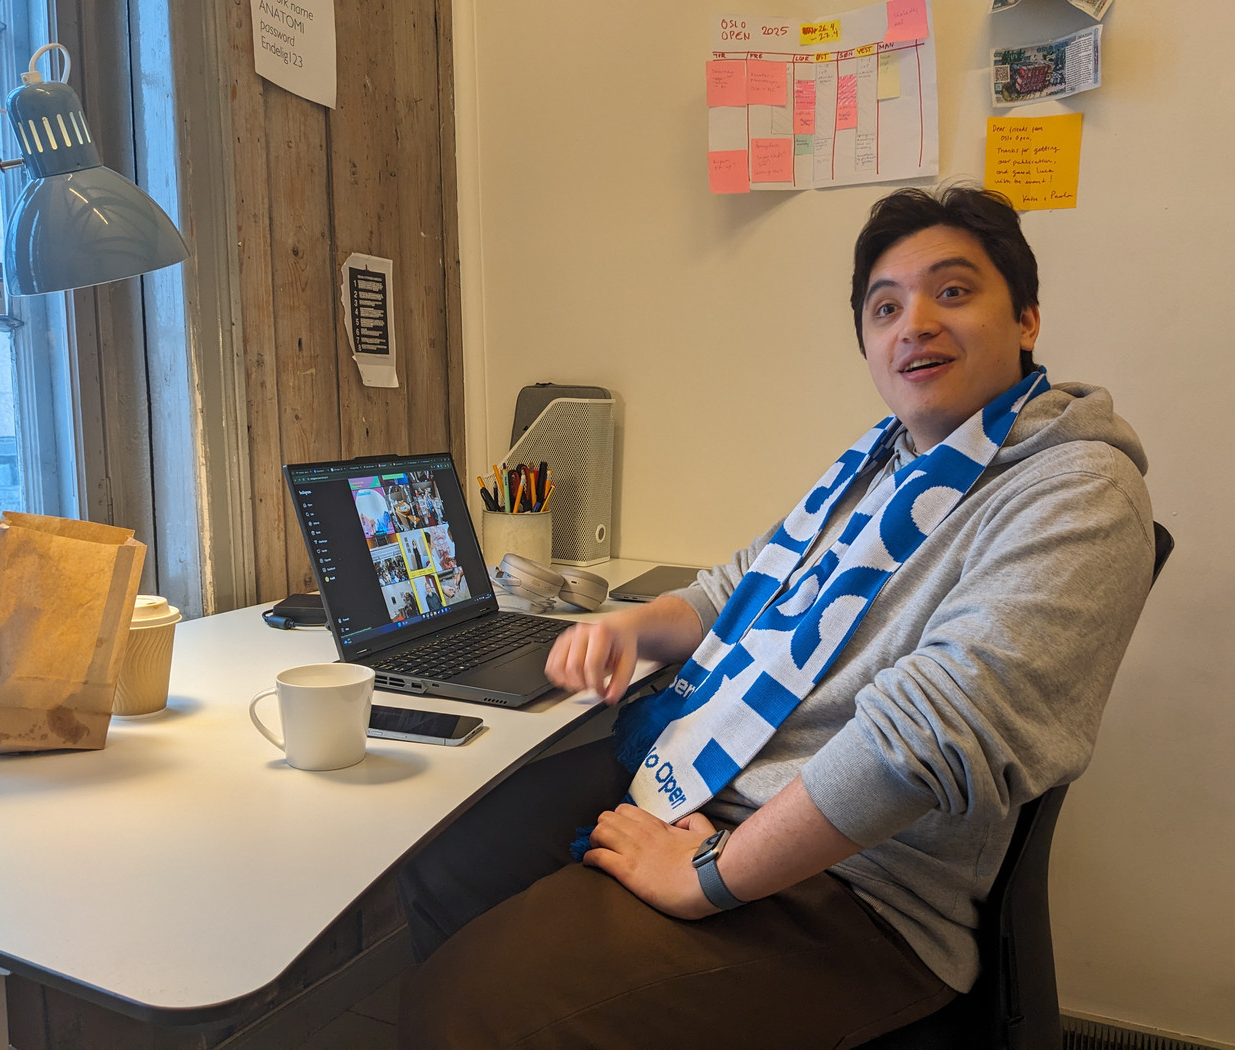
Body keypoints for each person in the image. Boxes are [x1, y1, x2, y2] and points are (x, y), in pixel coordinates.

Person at [396, 185, 1156, 1048]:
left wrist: (706, 877)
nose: (914, 323)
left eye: (952, 291)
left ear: (1026, 320)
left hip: (855, 891)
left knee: (466, 1010)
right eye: (885, 306)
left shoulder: (1075, 488)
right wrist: (629, 628)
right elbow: (743, 583)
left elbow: (923, 740)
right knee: (444, 861)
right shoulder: (882, 469)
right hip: (713, 781)